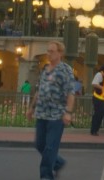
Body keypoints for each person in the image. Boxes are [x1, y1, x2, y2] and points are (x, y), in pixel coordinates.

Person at [26, 41, 75, 180]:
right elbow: (39, 90)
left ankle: (46, 176)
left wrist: (68, 112)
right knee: (40, 144)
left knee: (50, 147)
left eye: (52, 51)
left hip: (57, 115)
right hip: (42, 113)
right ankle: (58, 162)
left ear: (60, 53)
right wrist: (31, 108)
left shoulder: (65, 70)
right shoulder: (45, 69)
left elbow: (71, 93)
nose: (48, 54)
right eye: (47, 51)